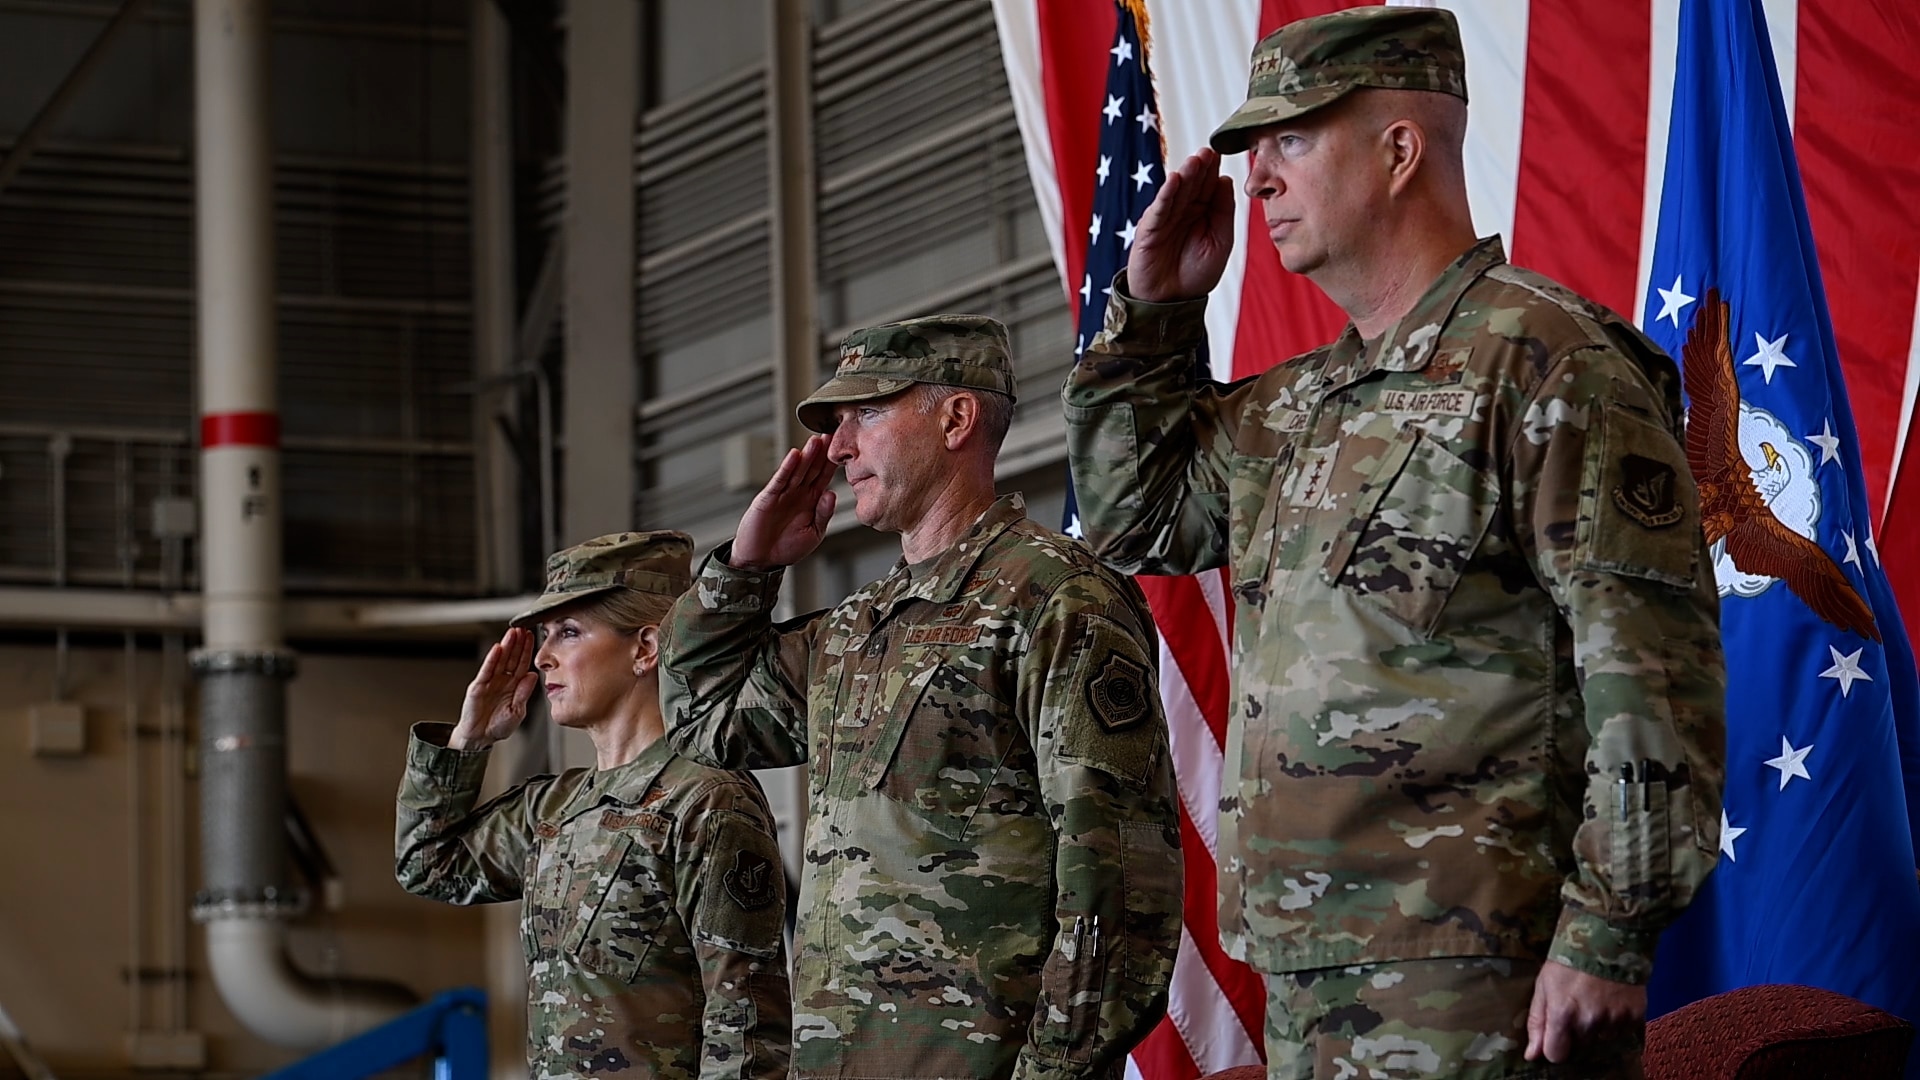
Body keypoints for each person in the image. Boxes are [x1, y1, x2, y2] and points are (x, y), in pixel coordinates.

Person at [1061, 8, 1726, 1079]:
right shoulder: (1297, 408)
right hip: (1307, 973)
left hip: (1476, 970)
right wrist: (1153, 320)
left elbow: (1653, 672)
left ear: (1400, 149)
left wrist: (1609, 932)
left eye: (1290, 140)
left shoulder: (1547, 362)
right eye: (1253, 151)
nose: (1258, 179)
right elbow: (1138, 516)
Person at [659, 314, 1182, 1080]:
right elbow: (702, 720)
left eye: (866, 413)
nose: (838, 448)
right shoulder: (853, 630)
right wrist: (743, 570)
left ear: (956, 417)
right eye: (839, 424)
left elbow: (1121, 886)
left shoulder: (1054, 599)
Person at [395, 531, 791, 1079]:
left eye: (570, 632)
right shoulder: (554, 808)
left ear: (645, 649)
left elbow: (745, 1022)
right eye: (544, 634)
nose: (543, 656)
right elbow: (427, 866)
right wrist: (469, 743)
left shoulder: (706, 798)